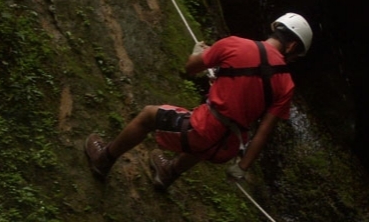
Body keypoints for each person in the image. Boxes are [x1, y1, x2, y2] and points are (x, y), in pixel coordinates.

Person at [85, 13, 313, 190]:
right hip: (225, 148)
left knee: (149, 115)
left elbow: (190, 68)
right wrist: (243, 167)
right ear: (292, 47)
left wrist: (198, 54)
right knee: (207, 133)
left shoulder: (236, 44)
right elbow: (264, 132)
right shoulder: (287, 85)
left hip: (202, 130)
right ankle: (168, 172)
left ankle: (104, 159)